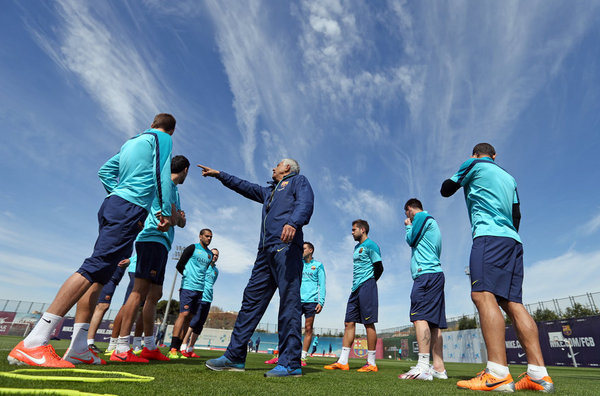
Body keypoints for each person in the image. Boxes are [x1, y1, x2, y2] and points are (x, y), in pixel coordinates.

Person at [8, 114, 176, 368]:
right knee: (94, 267)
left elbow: (105, 171)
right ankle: (34, 342)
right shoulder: (162, 139)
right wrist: (161, 211)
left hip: (115, 205)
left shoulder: (132, 142)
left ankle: (78, 348)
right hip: (129, 208)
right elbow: (161, 174)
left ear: (152, 122)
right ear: (170, 130)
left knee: (101, 275)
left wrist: (118, 193)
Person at [442, 143, 554, 392]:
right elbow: (517, 216)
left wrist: (464, 174)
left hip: (488, 237)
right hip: (513, 241)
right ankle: (538, 375)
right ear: (495, 156)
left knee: (482, 294)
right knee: (513, 302)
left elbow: (446, 189)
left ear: (475, 154)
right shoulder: (509, 177)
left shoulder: (473, 164)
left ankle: (497, 373)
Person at [200, 159, 314, 378]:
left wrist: (293, 222)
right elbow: (245, 186)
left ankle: (290, 363)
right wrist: (220, 175)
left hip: (287, 248)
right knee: (250, 301)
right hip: (265, 252)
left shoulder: (298, 181)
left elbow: (305, 203)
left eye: (278, 165)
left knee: (289, 303)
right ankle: (234, 357)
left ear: (287, 168)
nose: (273, 168)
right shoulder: (268, 192)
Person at [110, 155, 189, 363]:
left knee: (155, 294)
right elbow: (175, 219)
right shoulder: (164, 185)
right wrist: (177, 218)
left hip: (162, 243)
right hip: (151, 239)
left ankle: (150, 347)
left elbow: (179, 221)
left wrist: (177, 218)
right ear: (186, 170)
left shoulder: (174, 189)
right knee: (139, 292)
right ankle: (121, 347)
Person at [398, 198, 448, 381]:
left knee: (419, 317)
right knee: (434, 324)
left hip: (425, 275)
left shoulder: (420, 217)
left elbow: (410, 240)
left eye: (406, 213)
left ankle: (423, 367)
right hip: (434, 274)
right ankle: (439, 368)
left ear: (410, 209)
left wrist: (408, 225)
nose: (407, 217)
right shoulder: (431, 221)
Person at [324, 219, 383, 373]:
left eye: (353, 229)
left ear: (362, 229)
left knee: (368, 323)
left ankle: (371, 363)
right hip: (355, 289)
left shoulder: (371, 245)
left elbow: (379, 268)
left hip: (367, 286)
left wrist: (369, 282)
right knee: (348, 323)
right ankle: (343, 361)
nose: (352, 232)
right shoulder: (357, 248)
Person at [167, 229, 213, 359]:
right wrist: (187, 276)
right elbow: (180, 265)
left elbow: (203, 270)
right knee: (184, 314)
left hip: (200, 290)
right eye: (207, 236)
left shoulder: (209, 254)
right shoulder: (192, 248)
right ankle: (173, 349)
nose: (209, 238)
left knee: (190, 318)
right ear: (200, 236)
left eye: (211, 237)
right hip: (188, 287)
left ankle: (181, 348)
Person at [181, 248, 220, 358]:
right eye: (213, 254)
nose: (215, 256)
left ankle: (190, 348)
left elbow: (211, 284)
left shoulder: (216, 271)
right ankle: (183, 345)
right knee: (194, 321)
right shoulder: (202, 265)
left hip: (208, 299)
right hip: (199, 297)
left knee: (200, 324)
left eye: (217, 255)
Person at [86, 259, 129, 354]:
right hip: (109, 275)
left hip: (113, 277)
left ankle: (88, 341)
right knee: (102, 305)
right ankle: (88, 342)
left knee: (101, 306)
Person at [300, 242, 326, 365]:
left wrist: (321, 302)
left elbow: (322, 285)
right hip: (296, 301)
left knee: (308, 328)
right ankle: (282, 354)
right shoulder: (298, 263)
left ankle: (303, 356)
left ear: (310, 250)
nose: (302, 250)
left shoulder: (318, 265)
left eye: (304, 249)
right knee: (288, 326)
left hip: (311, 302)